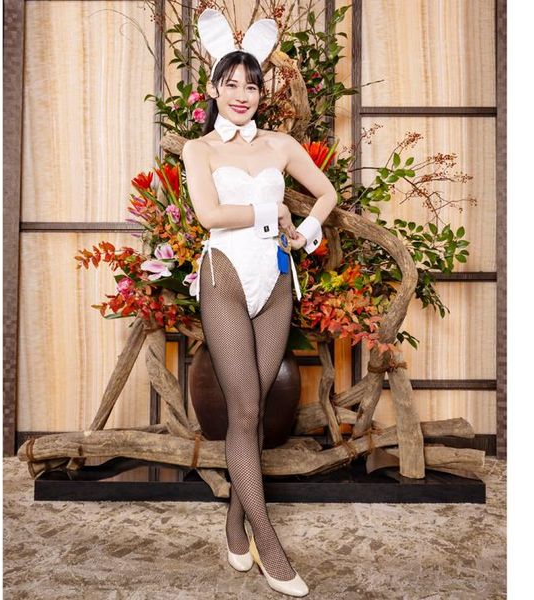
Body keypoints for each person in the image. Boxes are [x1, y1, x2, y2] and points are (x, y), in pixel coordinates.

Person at [182, 8, 337, 598]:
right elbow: (208, 215)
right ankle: (268, 543)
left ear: (261, 92)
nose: (242, 95)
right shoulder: (199, 149)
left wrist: (306, 231)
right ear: (213, 88)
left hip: (274, 277)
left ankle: (233, 522)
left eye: (251, 85)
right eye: (231, 84)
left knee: (254, 408)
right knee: (244, 406)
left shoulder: (280, 144)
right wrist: (270, 210)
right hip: (224, 273)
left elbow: (326, 194)